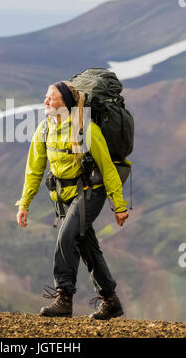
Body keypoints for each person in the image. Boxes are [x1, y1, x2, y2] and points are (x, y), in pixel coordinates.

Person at [16, 80, 129, 320]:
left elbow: (108, 169)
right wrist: (24, 204)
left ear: (65, 102)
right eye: (45, 97)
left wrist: (119, 206)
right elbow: (34, 170)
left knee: (67, 236)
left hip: (91, 192)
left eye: (51, 98)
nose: (46, 101)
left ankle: (63, 297)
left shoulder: (86, 129)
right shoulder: (44, 129)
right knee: (88, 247)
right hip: (64, 197)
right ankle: (111, 301)